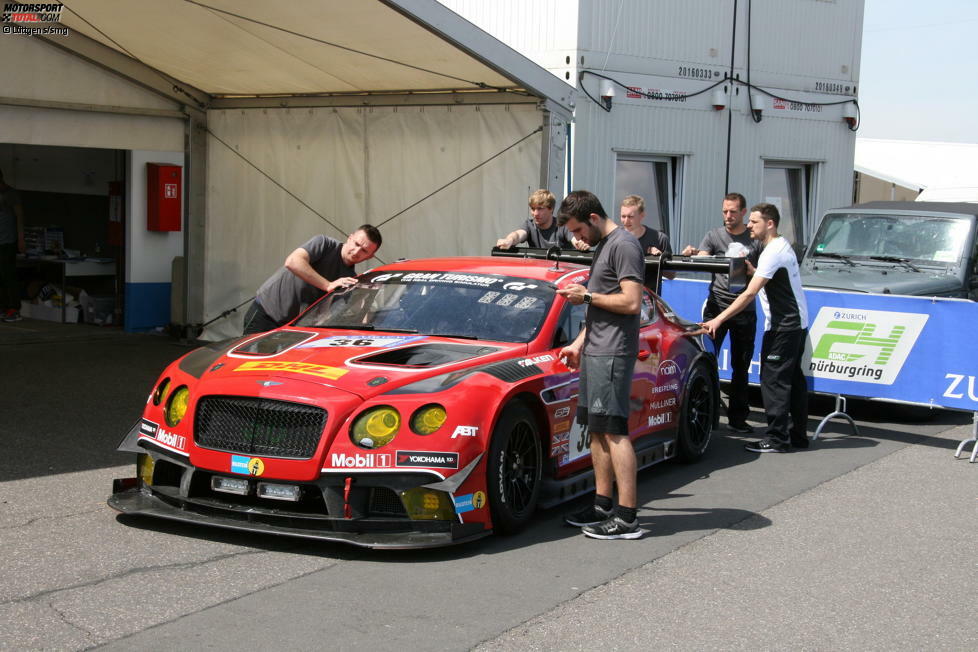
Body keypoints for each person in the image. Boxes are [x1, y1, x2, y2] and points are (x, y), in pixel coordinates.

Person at [556, 190, 646, 539]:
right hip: (596, 350)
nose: (577, 238)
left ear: (593, 218)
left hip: (613, 353)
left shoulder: (623, 245)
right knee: (596, 430)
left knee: (614, 431)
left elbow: (632, 301)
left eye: (578, 231)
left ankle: (627, 519)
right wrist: (579, 343)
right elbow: (598, 309)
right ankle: (602, 505)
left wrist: (587, 295)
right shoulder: (605, 245)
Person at [700, 203, 810, 453]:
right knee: (793, 380)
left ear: (769, 224)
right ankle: (798, 436)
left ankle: (777, 439)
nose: (749, 225)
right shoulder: (780, 247)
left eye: (754, 221)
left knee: (774, 382)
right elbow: (767, 277)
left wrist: (718, 319)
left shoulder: (773, 252)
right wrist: (752, 269)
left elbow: (749, 293)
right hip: (795, 325)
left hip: (785, 326)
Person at [681, 192, 759, 433]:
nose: (728, 216)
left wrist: (749, 270)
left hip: (744, 310)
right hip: (716, 308)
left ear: (743, 213)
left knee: (740, 367)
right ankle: (708, 415)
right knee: (706, 361)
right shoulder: (714, 235)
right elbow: (704, 256)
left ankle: (738, 419)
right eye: (725, 211)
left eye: (733, 212)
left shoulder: (754, 238)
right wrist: (693, 253)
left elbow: (764, 274)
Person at [242, 225, 381, 334]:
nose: (356, 252)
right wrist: (328, 285)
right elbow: (292, 261)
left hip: (292, 330)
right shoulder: (324, 243)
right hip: (266, 312)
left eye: (364, 250)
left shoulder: (349, 278)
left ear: (370, 257)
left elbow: (334, 312)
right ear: (349, 238)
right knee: (245, 365)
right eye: (356, 244)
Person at [496, 189, 588, 251]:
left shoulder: (562, 226)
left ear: (551, 208)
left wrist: (580, 244)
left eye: (540, 209)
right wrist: (509, 240)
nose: (535, 213)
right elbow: (518, 234)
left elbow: (575, 239)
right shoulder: (529, 225)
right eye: (533, 209)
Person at [620, 194, 674, 281]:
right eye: (623, 216)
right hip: (619, 293)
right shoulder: (613, 237)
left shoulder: (660, 239)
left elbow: (671, 275)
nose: (626, 221)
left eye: (630, 217)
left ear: (642, 215)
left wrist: (658, 260)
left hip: (648, 293)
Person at [0, 169, 26, 323]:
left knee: (8, 275)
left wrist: (21, 239)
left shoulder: (11, 194)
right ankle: (3, 307)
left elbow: (19, 216)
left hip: (7, 241)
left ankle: (14, 308)